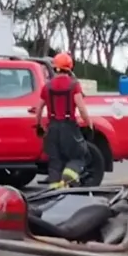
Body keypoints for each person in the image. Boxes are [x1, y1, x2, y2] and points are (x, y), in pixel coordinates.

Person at [32, 53, 93, 188]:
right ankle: (68, 177)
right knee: (78, 156)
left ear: (55, 68)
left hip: (52, 128)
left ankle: (54, 190)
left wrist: (38, 126)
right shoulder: (73, 85)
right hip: (69, 127)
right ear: (70, 67)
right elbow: (81, 108)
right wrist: (89, 124)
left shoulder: (47, 87)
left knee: (55, 161)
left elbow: (38, 108)